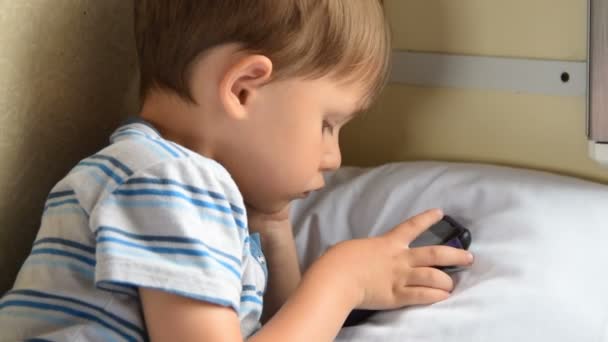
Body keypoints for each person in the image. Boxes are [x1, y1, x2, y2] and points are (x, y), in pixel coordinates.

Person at [0, 1, 474, 340]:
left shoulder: (158, 175)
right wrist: (341, 281)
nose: (333, 157)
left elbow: (277, 323)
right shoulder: (172, 184)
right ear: (244, 89)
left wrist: (270, 223)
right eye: (328, 124)